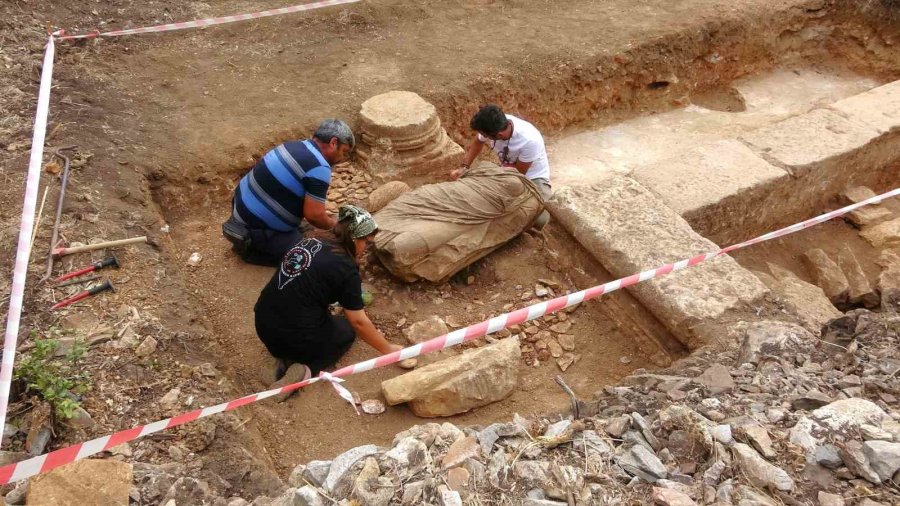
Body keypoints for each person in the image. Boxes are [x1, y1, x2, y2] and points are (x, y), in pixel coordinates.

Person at [254, 205, 403, 401]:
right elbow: (358, 322)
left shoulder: (308, 240)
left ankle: (281, 359)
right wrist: (387, 349)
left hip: (263, 325)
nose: (366, 249)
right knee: (346, 330)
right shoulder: (345, 267)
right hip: (295, 338)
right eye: (366, 243)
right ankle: (305, 370)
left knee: (308, 314)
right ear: (353, 238)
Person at [223, 119, 355, 266]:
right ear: (333, 142)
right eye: (343, 151)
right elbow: (315, 217)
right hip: (255, 228)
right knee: (313, 256)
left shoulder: (293, 145)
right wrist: (335, 226)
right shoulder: (319, 166)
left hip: (240, 209)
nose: (342, 158)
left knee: (309, 231)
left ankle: (258, 237)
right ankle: (251, 249)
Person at [453, 104, 552, 228]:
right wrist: (464, 167)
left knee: (540, 219)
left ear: (498, 136)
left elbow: (517, 175)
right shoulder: (494, 123)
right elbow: (478, 141)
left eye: (487, 136)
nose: (485, 137)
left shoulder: (530, 140)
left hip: (532, 177)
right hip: (505, 171)